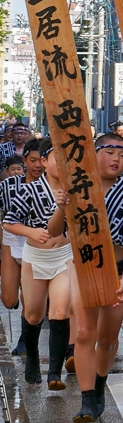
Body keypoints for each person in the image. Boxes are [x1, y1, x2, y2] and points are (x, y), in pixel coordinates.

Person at [67, 134, 123, 422]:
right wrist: (62, 204)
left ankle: (99, 383)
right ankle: (87, 397)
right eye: (110, 151)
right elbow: (54, 230)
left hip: (117, 266)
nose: (117, 159)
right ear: (93, 154)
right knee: (84, 332)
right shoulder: (78, 188)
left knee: (108, 336)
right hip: (85, 266)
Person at [3, 139, 71, 389]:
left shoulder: (75, 189)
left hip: (65, 255)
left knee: (60, 311)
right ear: (44, 161)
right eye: (56, 158)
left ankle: (55, 372)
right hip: (36, 256)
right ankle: (32, 357)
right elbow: (9, 222)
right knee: (33, 314)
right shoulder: (29, 190)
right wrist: (31, 232)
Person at [2, 139, 45, 356]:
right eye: (32, 160)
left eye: (41, 160)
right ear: (25, 160)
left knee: (28, 295)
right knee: (9, 299)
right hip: (12, 239)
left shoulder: (52, 184)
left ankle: (25, 340)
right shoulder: (8, 185)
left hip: (40, 242)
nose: (37, 165)